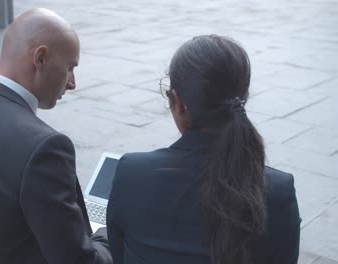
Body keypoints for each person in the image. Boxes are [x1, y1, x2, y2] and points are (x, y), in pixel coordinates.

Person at [0, 8, 112, 264]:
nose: (72, 83)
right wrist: (108, 234)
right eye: (70, 68)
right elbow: (77, 260)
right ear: (40, 57)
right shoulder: (44, 147)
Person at [106, 35, 301, 264]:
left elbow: (119, 256)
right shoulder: (278, 191)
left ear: (178, 102)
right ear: (242, 100)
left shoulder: (132, 173)